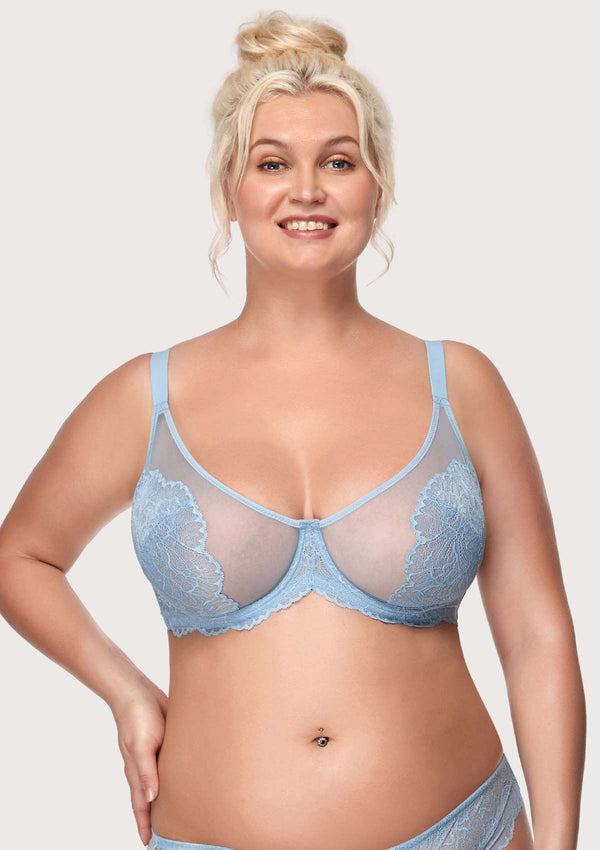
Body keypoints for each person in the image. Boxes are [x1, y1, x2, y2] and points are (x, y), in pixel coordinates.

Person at [0, 10, 585, 850]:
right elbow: (21, 557)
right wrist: (125, 691)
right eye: (272, 162)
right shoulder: (144, 397)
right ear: (230, 188)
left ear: (376, 186)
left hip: (465, 829)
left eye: (338, 162)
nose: (306, 191)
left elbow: (535, 635)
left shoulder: (461, 385)